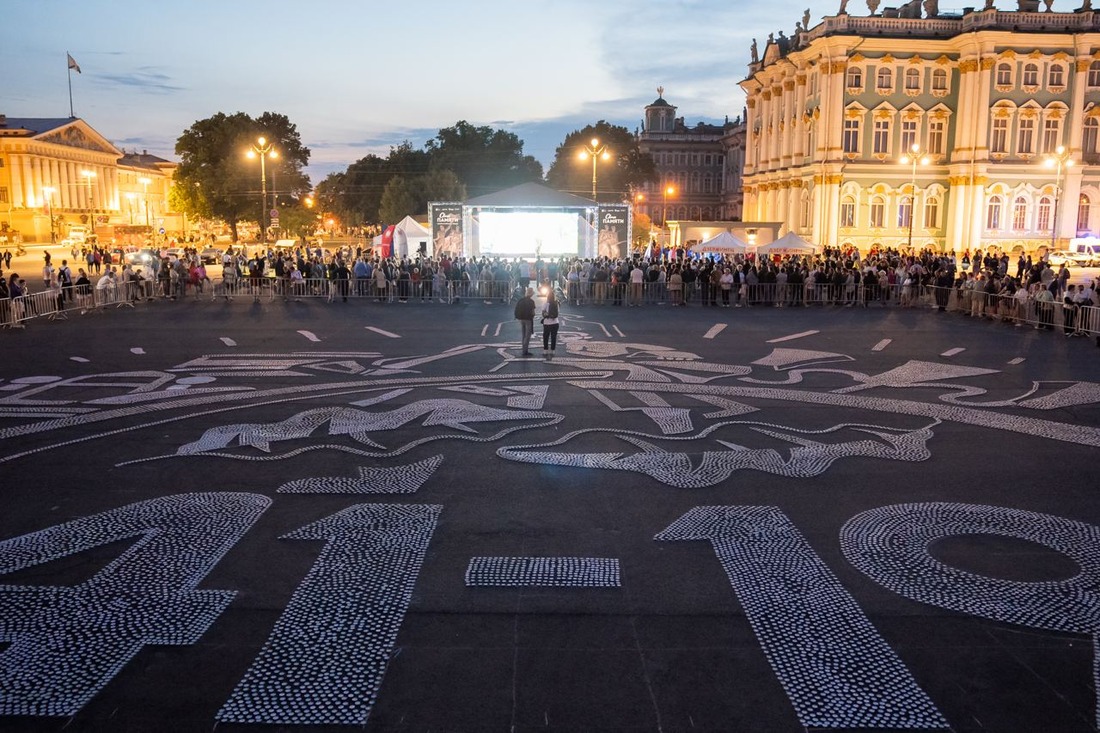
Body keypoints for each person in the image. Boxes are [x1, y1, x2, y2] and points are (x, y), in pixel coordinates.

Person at [514, 287, 536, 356]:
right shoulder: (531, 302)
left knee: (523, 335)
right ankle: (525, 351)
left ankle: (524, 349)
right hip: (528, 320)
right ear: (531, 294)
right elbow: (533, 313)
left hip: (521, 319)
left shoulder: (521, 300)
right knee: (527, 336)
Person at [541, 289, 560, 358]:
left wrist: (546, 314)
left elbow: (543, 312)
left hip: (547, 323)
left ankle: (545, 350)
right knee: (553, 337)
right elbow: (558, 312)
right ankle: (553, 350)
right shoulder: (556, 303)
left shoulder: (545, 303)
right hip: (555, 322)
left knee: (546, 337)